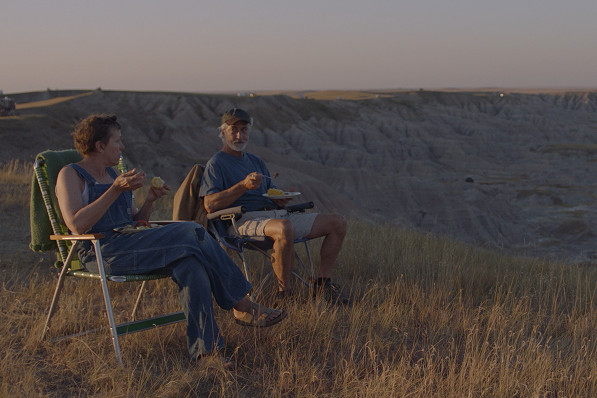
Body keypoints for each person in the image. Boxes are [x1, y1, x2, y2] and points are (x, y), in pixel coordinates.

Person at [55, 113, 286, 368]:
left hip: (132, 244)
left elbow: (136, 222)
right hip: (102, 252)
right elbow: (76, 224)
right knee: (192, 230)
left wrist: (150, 200)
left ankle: (205, 353)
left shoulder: (113, 175)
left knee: (191, 264)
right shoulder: (71, 175)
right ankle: (240, 303)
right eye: (117, 142)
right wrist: (115, 190)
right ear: (100, 146)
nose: (122, 147)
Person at [200, 108, 349, 305]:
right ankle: (284, 295)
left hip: (275, 214)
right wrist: (243, 186)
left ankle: (322, 285)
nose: (239, 135)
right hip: (241, 221)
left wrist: (281, 198)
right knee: (284, 227)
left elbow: (271, 192)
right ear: (223, 132)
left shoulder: (256, 161)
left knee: (337, 223)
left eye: (244, 130)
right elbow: (210, 205)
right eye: (233, 130)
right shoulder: (216, 163)